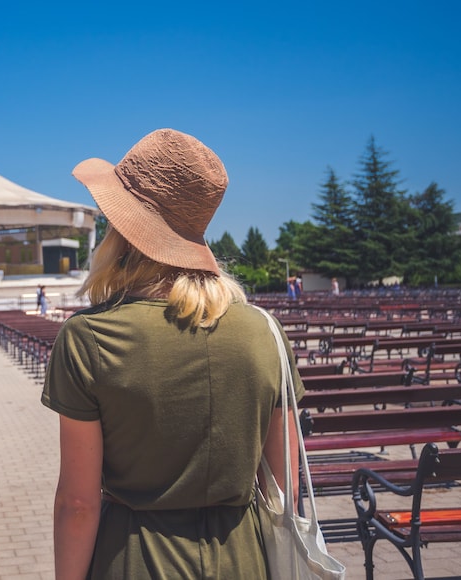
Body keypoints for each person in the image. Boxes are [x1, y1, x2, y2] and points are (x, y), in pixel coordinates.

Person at [41, 129, 304, 579]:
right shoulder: (265, 332)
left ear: (122, 230)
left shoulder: (88, 338)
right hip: (245, 559)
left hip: (134, 559)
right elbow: (285, 485)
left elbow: (78, 505)